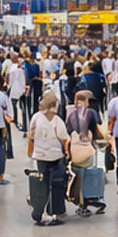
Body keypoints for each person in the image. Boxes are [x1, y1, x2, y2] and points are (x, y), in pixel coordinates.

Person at [26, 90, 70, 226]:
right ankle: (56, 211)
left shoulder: (36, 117)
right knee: (57, 185)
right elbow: (65, 138)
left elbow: (30, 134)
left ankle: (40, 209)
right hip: (56, 156)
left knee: (42, 185)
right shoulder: (57, 121)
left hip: (40, 156)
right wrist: (67, 152)